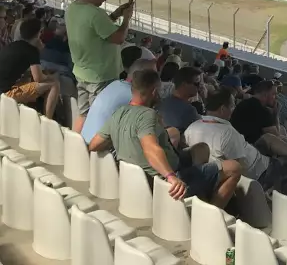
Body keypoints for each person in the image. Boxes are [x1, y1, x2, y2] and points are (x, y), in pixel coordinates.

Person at [88, 69, 241, 208]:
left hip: (146, 173)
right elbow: (150, 149)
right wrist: (171, 177)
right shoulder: (147, 115)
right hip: (164, 183)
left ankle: (200, 196)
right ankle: (211, 213)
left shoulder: (120, 112)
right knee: (234, 168)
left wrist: (124, 139)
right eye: (159, 90)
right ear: (154, 91)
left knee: (201, 149)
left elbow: (94, 145)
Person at [185, 88, 287, 192]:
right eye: (232, 106)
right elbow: (240, 170)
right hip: (262, 171)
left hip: (249, 154)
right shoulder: (227, 133)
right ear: (223, 109)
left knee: (267, 138)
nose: (234, 109)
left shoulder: (191, 128)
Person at [66, 0, 134, 132]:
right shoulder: (96, 14)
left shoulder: (73, 7)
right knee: (100, 118)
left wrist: (116, 14)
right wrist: (126, 19)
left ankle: (74, 146)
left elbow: (97, 29)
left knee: (83, 115)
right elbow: (118, 38)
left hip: (82, 72)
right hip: (101, 75)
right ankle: (93, 153)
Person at [81, 49, 154, 143]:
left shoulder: (115, 84)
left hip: (83, 142)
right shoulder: (133, 96)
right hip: (99, 151)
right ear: (144, 79)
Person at [0, 16, 61, 119]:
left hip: (3, 88)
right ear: (39, 33)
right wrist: (52, 77)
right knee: (54, 84)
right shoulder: (31, 51)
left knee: (30, 79)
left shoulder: (14, 45)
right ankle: (47, 120)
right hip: (6, 93)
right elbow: (39, 78)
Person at [157, 66, 203, 138]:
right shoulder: (189, 111)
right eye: (196, 83)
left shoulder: (161, 103)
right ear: (184, 85)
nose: (200, 86)